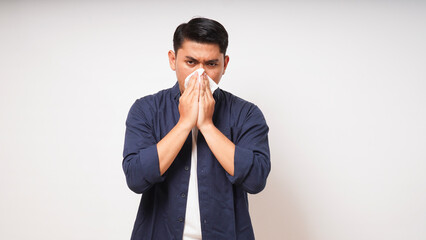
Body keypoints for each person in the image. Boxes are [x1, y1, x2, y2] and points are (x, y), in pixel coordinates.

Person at [122, 17, 271, 240]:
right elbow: (136, 178)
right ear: (173, 60)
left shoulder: (247, 113)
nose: (200, 75)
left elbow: (256, 180)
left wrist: (207, 125)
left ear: (225, 64)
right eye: (191, 62)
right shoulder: (146, 109)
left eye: (211, 64)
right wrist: (184, 124)